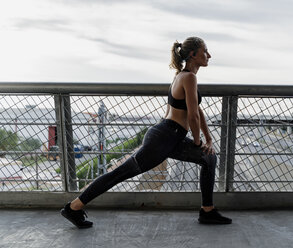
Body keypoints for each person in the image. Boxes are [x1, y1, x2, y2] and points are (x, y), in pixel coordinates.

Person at [60, 37, 232, 228]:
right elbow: (192, 117)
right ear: (193, 54)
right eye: (205, 51)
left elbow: (197, 109)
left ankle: (207, 211)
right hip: (164, 138)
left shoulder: (183, 76)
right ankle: (73, 208)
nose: (209, 55)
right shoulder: (189, 77)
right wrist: (199, 142)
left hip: (169, 137)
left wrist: (208, 139)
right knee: (119, 174)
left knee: (208, 159)